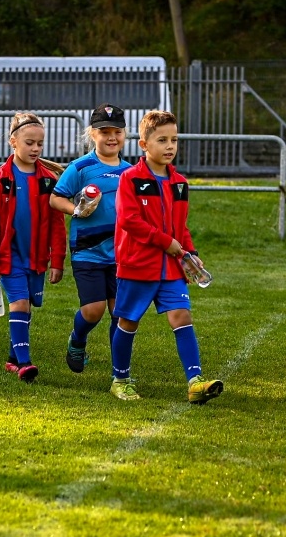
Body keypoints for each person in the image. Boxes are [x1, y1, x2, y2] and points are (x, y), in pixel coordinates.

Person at [109, 110, 222, 404]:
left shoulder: (180, 183)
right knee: (128, 322)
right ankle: (120, 380)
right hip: (137, 266)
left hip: (171, 267)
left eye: (174, 139)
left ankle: (195, 382)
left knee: (182, 316)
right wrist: (166, 242)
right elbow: (129, 220)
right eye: (162, 140)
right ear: (144, 144)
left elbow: (180, 226)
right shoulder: (130, 178)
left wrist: (191, 254)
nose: (170, 146)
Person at [0, 112, 66, 383]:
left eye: (40, 143)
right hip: (9, 257)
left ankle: (12, 359)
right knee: (19, 303)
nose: (35, 148)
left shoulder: (49, 180)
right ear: (13, 141)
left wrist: (58, 260)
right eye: (29, 143)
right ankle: (25, 364)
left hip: (37, 258)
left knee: (27, 306)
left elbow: (57, 224)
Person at [50, 104, 133, 373]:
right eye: (104, 132)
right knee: (93, 310)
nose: (111, 137)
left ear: (125, 134)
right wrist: (76, 210)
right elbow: (55, 198)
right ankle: (78, 339)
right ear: (92, 134)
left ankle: (119, 370)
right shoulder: (81, 167)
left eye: (117, 132)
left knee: (120, 312)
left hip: (121, 252)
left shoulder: (131, 172)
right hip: (88, 250)